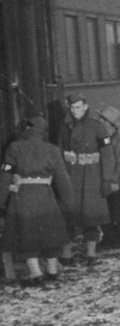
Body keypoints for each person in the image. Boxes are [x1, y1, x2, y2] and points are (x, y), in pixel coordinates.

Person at [0, 116, 74, 287]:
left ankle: (35, 272)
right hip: (46, 196)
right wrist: (69, 201)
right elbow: (62, 179)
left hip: (23, 196)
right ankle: (53, 270)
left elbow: (6, 175)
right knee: (51, 233)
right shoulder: (53, 150)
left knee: (26, 234)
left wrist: (1, 199)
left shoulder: (15, 147)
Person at [59, 93, 113, 267]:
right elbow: (59, 152)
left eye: (78, 107)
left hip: (92, 176)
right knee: (68, 215)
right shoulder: (65, 127)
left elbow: (107, 154)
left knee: (91, 216)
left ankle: (91, 253)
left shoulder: (97, 127)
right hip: (71, 176)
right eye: (72, 108)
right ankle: (66, 254)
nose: (75, 111)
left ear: (85, 107)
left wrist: (106, 179)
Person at [96, 105, 120, 251]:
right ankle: (110, 238)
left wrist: (115, 181)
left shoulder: (119, 140)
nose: (99, 121)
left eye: (102, 119)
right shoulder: (107, 138)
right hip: (109, 180)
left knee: (119, 211)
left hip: (118, 181)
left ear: (109, 123)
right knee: (109, 211)